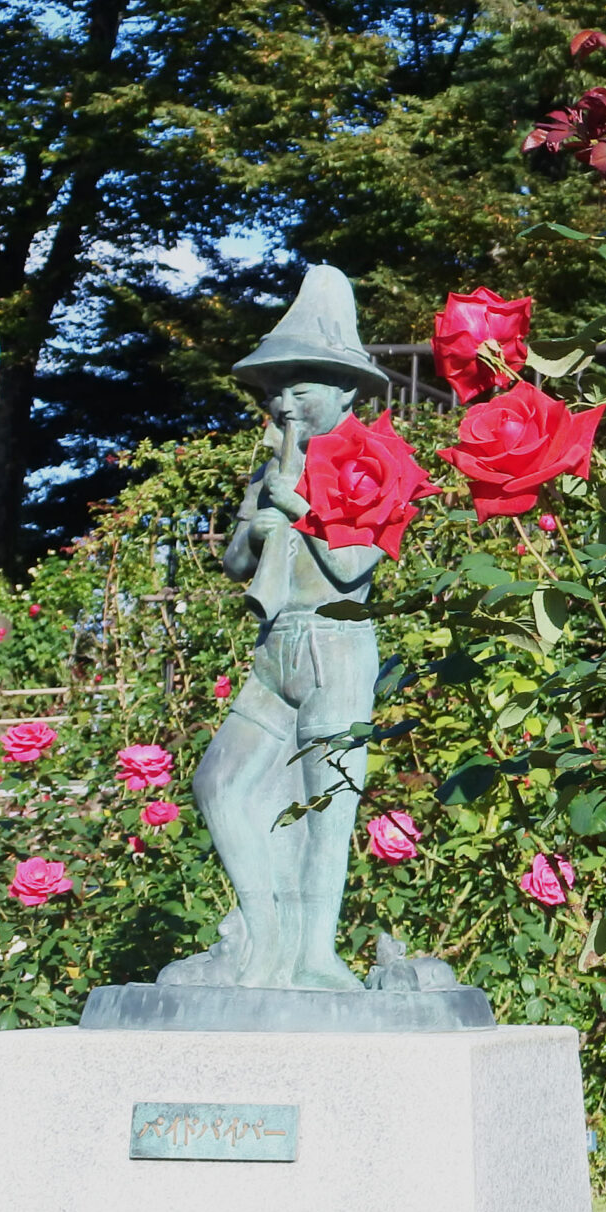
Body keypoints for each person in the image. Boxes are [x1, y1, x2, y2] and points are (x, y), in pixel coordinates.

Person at [159, 266, 393, 992]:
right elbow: (234, 561)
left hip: (336, 645)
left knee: (328, 808)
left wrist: (300, 507)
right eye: (277, 389)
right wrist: (259, 523)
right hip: (275, 648)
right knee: (220, 782)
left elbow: (354, 565)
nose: (285, 402)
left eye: (302, 386)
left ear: (347, 388)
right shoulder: (271, 469)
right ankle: (262, 941)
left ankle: (315, 956)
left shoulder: (378, 457)